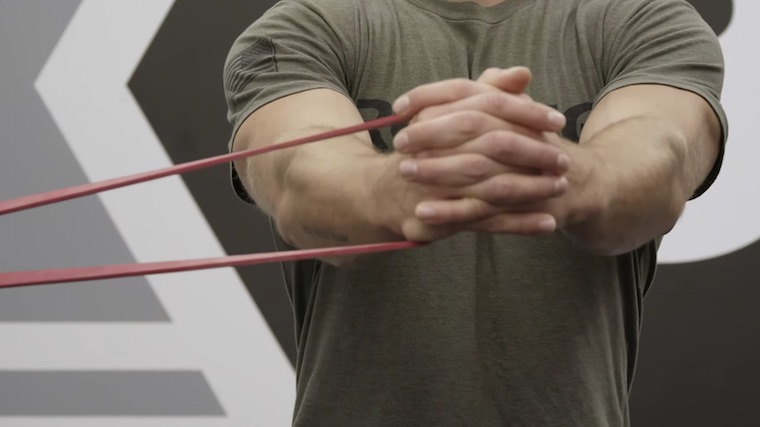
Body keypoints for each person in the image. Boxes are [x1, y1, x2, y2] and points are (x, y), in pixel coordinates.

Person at [223, 0, 727, 424]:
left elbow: (662, 158)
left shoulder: (646, 21)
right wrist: (396, 189)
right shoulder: (304, 25)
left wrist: (565, 174)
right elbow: (295, 171)